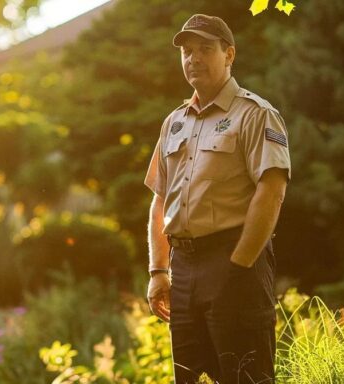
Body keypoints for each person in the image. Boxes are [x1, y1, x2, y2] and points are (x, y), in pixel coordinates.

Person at [143, 13, 291, 384]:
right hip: (184, 269)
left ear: (229, 54)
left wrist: (238, 267)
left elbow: (271, 192)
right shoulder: (173, 122)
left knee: (245, 377)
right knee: (189, 378)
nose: (193, 58)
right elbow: (161, 200)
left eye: (205, 49)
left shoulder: (256, 115)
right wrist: (159, 271)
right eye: (187, 51)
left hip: (235, 261)